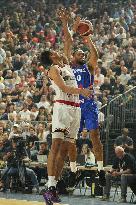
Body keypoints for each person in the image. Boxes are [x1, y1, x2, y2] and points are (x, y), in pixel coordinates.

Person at [40, 9, 92, 205]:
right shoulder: (53, 69)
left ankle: (56, 184)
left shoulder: (67, 65)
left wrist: (65, 22)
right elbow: (62, 87)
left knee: (67, 148)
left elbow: (68, 40)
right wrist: (82, 91)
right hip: (62, 107)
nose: (58, 51)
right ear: (51, 58)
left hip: (75, 108)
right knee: (56, 146)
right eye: (54, 52)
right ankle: (50, 186)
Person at [71, 18, 105, 183]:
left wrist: (87, 38)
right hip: (74, 106)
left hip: (89, 105)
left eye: (84, 53)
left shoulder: (88, 67)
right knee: (70, 139)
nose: (83, 55)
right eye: (80, 53)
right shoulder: (68, 68)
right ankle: (72, 169)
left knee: (95, 136)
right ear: (73, 57)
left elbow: (95, 55)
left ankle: (100, 169)